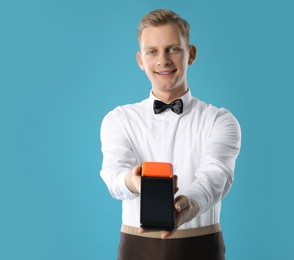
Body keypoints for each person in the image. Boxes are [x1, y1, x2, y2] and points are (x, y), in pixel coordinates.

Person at [100, 9, 241, 260]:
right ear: (140, 60)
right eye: (151, 51)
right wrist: (133, 182)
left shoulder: (220, 120)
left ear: (191, 54)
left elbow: (217, 175)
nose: (162, 60)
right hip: (136, 247)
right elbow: (113, 173)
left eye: (173, 49)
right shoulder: (118, 119)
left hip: (202, 247)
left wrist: (191, 205)